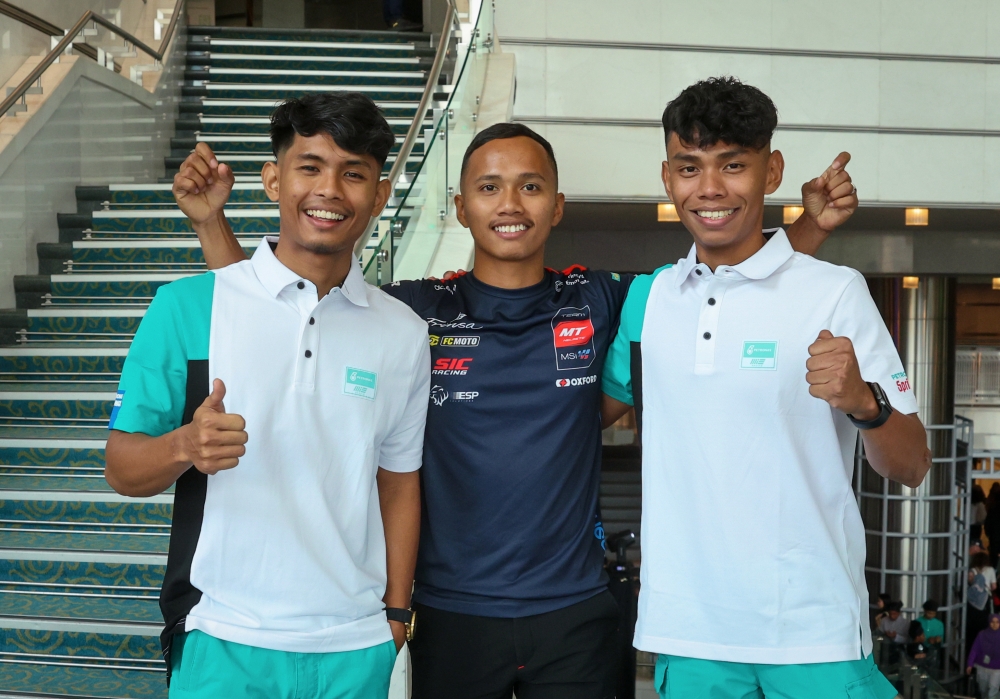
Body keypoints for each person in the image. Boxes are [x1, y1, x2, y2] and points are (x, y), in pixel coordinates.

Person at [176, 111, 859, 698]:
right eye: (490, 187)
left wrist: (808, 230)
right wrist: (215, 229)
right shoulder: (409, 311)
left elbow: (724, 284)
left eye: (531, 186)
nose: (511, 203)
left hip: (575, 611)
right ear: (460, 207)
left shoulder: (602, 298)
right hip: (446, 611)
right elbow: (274, 306)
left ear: (557, 205)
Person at [601, 77, 931, 699]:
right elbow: (583, 415)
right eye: (690, 167)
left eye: (733, 165)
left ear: (771, 169)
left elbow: (912, 464)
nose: (711, 189)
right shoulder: (649, 301)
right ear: (668, 178)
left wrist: (864, 403)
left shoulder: (834, 292)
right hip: (691, 637)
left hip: (814, 634)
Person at [105, 93, 431, 698]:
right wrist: (183, 445)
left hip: (355, 649)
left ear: (380, 196)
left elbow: (399, 480)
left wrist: (396, 614)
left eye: (354, 173)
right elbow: (122, 469)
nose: (330, 190)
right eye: (309, 167)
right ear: (273, 180)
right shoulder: (186, 308)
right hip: (222, 639)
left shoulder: (404, 334)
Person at [967, 614, 1000, 699]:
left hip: (997, 668)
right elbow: (975, 649)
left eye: (997, 622)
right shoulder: (982, 634)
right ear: (989, 622)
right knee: (983, 690)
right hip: (982, 667)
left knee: (992, 692)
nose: (995, 624)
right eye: (992, 622)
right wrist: (970, 664)